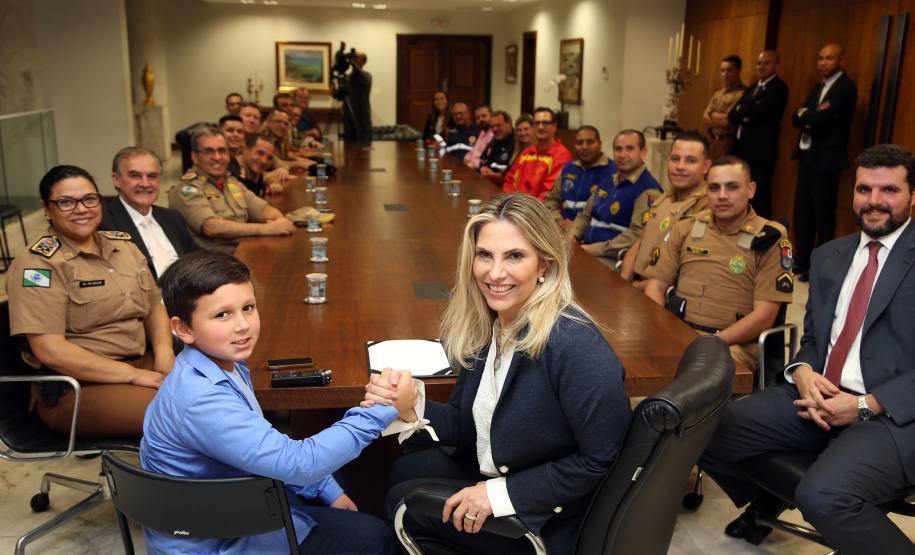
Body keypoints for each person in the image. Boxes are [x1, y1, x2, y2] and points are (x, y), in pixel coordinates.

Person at [365, 193, 630, 554]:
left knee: (403, 504)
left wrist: (499, 495)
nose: (495, 273)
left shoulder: (574, 344)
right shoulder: (495, 322)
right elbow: (470, 423)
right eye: (485, 255)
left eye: (515, 256)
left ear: (545, 265)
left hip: (553, 517)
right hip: (512, 466)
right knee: (402, 471)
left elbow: (604, 460)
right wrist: (411, 405)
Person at [699, 144, 915, 554]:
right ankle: (769, 498)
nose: (874, 201)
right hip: (819, 396)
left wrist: (865, 405)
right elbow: (815, 338)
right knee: (701, 430)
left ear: (912, 196)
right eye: (864, 189)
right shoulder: (828, 256)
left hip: (892, 415)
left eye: (889, 190)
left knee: (823, 496)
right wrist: (802, 373)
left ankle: (820, 497)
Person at [142, 250, 411, 554]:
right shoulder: (202, 398)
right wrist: (387, 406)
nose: (242, 325)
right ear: (183, 329)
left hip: (229, 502)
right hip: (217, 538)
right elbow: (298, 463)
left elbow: (262, 446)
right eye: (222, 315)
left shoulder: (220, 362)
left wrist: (326, 488)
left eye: (248, 308)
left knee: (336, 482)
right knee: (376, 536)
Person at [7, 165, 173, 437]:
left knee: (220, 388)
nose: (81, 209)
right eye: (66, 202)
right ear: (46, 209)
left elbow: (154, 307)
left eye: (89, 199)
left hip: (144, 363)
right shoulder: (38, 266)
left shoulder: (124, 247)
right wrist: (132, 375)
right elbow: (50, 350)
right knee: (178, 414)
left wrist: (165, 355)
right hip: (76, 387)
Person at [643, 156, 793, 373]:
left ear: (750, 190)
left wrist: (710, 342)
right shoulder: (686, 228)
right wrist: (663, 331)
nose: (722, 195)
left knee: (698, 373)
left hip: (733, 345)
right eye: (714, 188)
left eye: (732, 187)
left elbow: (764, 317)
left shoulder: (769, 238)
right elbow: (655, 287)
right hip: (680, 334)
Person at [168, 127, 295, 253]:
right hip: (213, 261)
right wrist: (266, 229)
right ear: (195, 157)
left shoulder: (231, 182)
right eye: (208, 151)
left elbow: (262, 209)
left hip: (245, 252)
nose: (217, 157)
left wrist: (279, 221)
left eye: (222, 151)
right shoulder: (187, 189)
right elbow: (212, 227)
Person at [791, 43, 858, 282]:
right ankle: (801, 260)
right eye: (820, 58)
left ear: (841, 61)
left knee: (823, 214)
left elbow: (823, 117)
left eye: (829, 58)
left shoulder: (845, 87)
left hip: (827, 160)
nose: (823, 63)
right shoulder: (818, 86)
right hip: (808, 156)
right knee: (803, 212)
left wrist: (809, 115)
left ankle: (820, 266)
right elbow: (796, 115)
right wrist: (809, 115)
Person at [620, 131, 712, 287]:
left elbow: (686, 272)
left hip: (662, 293)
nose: (680, 167)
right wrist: (623, 283)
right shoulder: (665, 196)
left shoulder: (707, 206)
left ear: (705, 167)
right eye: (675, 159)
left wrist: (635, 288)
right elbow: (640, 242)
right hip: (637, 285)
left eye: (690, 161)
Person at [568, 129, 664, 265]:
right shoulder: (608, 180)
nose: (622, 155)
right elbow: (585, 215)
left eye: (630, 149)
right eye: (618, 149)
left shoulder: (648, 190)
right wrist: (573, 235)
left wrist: (592, 249)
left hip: (613, 258)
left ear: (643, 153)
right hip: (587, 248)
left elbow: (636, 235)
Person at [101, 147, 199, 279]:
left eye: (152, 176)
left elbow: (198, 260)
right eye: (135, 175)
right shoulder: (103, 223)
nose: (145, 183)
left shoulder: (172, 218)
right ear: (116, 180)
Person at [728, 50, 789, 219]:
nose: (761, 67)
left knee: (759, 196)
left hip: (760, 153)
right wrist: (746, 112)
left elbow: (760, 111)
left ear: (776, 65)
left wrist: (744, 111)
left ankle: (762, 231)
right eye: (759, 63)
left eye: (766, 63)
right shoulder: (752, 88)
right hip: (741, 150)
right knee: (739, 192)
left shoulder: (779, 88)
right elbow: (732, 115)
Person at [544, 125, 616, 226]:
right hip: (561, 225)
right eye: (579, 142)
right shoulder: (568, 168)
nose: (584, 147)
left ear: (600, 144)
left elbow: (609, 212)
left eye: (590, 142)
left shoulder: (613, 171)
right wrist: (557, 220)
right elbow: (551, 199)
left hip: (591, 229)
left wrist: (576, 227)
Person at [502, 107, 573, 200]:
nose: (540, 127)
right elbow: (509, 180)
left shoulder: (562, 155)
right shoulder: (527, 152)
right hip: (514, 204)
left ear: (554, 126)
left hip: (537, 207)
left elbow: (548, 193)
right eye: (537, 123)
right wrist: (510, 201)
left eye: (545, 123)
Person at [701, 55, 744, 159]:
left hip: (727, 143)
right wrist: (718, 117)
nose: (725, 74)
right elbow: (704, 118)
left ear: (738, 71)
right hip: (712, 141)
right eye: (723, 70)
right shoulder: (718, 93)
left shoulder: (742, 94)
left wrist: (712, 114)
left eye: (729, 70)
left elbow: (728, 120)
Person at [229, 133, 284, 197]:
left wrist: (273, 183)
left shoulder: (253, 171)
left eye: (269, 158)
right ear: (245, 149)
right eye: (260, 153)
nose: (264, 161)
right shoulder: (231, 175)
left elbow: (266, 175)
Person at [478, 111, 515, 186]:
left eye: (498, 125)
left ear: (509, 124)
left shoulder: (517, 142)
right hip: (489, 183)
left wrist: (497, 175)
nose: (495, 129)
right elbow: (483, 159)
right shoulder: (495, 140)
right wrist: (482, 168)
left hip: (505, 186)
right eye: (492, 127)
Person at [343, 50, 372, 141]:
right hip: (349, 117)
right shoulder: (348, 77)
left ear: (363, 62)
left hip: (362, 117)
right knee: (348, 146)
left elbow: (359, 75)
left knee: (364, 146)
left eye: (357, 58)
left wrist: (352, 63)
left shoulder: (367, 76)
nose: (355, 59)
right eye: (354, 57)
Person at [463, 105, 494, 170]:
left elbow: (484, 161)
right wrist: (466, 158)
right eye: (477, 118)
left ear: (491, 116)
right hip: (471, 168)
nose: (481, 119)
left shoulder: (494, 134)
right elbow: (474, 150)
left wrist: (469, 163)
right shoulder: (482, 131)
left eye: (484, 116)